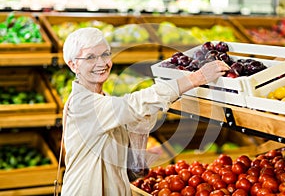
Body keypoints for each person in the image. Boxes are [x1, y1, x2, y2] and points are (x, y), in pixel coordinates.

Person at [60, 27, 230, 195]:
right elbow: (134, 104)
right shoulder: (82, 104)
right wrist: (196, 78)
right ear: (73, 65)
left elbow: (131, 121)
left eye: (105, 54)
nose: (102, 63)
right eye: (90, 57)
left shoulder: (103, 97)